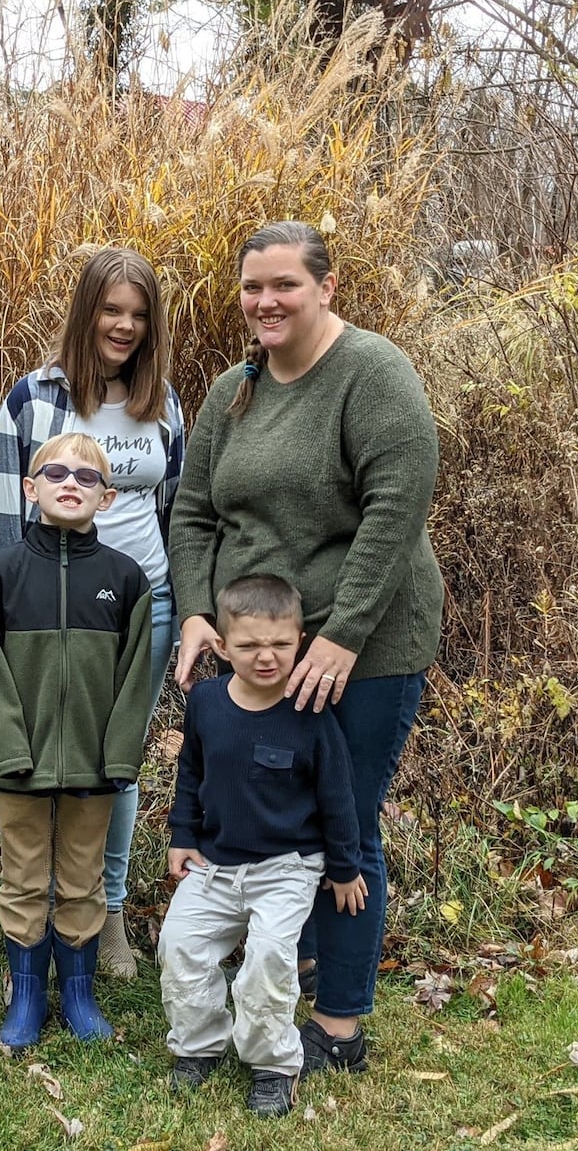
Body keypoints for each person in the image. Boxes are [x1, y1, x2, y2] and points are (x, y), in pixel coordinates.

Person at [169, 220, 442, 1075]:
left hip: (364, 647)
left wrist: (344, 636)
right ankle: (287, 973)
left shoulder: (372, 374)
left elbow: (399, 506)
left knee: (341, 826)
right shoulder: (233, 390)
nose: (266, 301)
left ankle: (339, 1024)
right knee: (275, 825)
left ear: (326, 287)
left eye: (285, 284)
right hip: (259, 650)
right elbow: (195, 512)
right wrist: (196, 612)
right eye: (253, 287)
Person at [0, 247, 185, 978]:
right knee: (36, 757)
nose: (125, 326)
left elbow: (177, 512)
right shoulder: (34, 399)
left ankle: (105, 920)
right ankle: (32, 917)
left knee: (115, 760)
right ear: (86, 311)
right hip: (44, 610)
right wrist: (10, 611)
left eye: (138, 315)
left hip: (142, 606)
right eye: (112, 310)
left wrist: (186, 606)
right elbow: (6, 517)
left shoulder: (161, 401)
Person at [0, 432, 156, 1049]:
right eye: (55, 473)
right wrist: (8, 747)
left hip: (95, 765)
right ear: (29, 489)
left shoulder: (125, 581)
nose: (70, 482)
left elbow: (135, 680)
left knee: (82, 877)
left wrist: (119, 755)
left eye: (87, 476)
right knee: (22, 876)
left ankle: (77, 995)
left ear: (106, 497)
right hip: (18, 762)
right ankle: (26, 997)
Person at [157, 574, 364, 1118]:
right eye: (248, 646)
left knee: (271, 960)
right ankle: (199, 1044)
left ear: (302, 640)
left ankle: (274, 1065)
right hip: (215, 863)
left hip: (287, 866)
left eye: (280, 644)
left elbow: (338, 797)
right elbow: (190, 771)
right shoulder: (205, 701)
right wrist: (182, 835)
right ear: (222, 646)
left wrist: (344, 867)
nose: (265, 657)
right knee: (179, 946)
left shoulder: (311, 713)